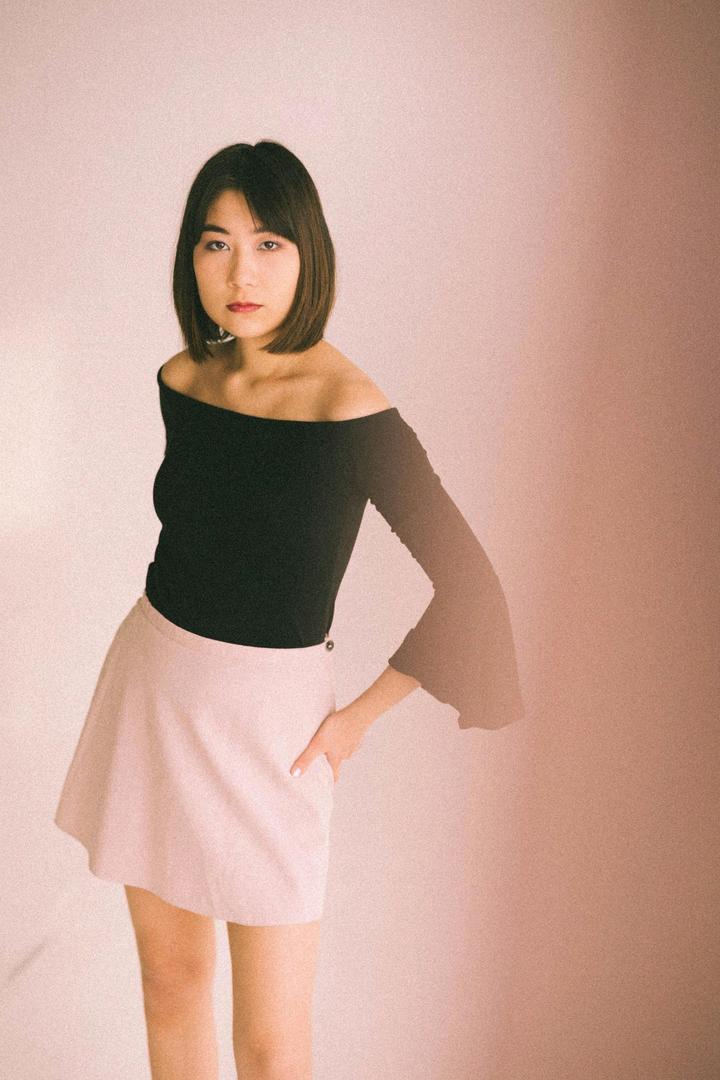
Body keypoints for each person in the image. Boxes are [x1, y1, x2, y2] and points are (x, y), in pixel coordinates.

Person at [53, 139, 525, 1080]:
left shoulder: (352, 411)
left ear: (309, 253)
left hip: (275, 731)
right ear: (191, 257)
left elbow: (473, 587)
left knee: (271, 1045)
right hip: (153, 694)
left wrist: (356, 720)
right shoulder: (184, 381)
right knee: (170, 985)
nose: (241, 273)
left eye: (268, 244)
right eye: (216, 243)